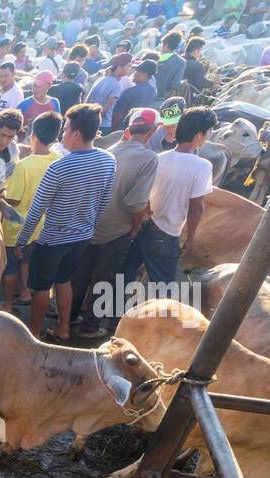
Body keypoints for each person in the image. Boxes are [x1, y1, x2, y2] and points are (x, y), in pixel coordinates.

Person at [15, 104, 116, 341]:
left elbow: (37, 210)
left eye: (66, 129)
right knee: (63, 280)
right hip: (81, 237)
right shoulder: (108, 160)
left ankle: (34, 333)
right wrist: (89, 226)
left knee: (41, 287)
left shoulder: (59, 167)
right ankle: (63, 330)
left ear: (77, 133)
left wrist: (22, 240)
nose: (63, 134)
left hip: (51, 239)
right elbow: (104, 200)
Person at [70, 107, 161, 338]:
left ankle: (69, 317)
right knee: (105, 279)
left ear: (128, 129)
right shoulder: (149, 158)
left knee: (80, 274)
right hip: (116, 230)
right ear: (151, 132)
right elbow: (136, 203)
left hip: (89, 225)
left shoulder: (108, 150)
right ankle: (90, 327)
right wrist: (136, 227)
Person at [124, 106, 217, 287]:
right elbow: (196, 207)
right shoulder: (202, 166)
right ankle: (155, 315)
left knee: (126, 275)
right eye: (208, 133)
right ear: (199, 134)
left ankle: (112, 314)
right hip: (167, 233)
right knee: (163, 286)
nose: (207, 137)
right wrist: (190, 238)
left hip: (143, 224)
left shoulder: (159, 157)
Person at [2, 111, 63, 309]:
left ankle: (8, 304)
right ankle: (26, 292)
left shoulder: (24, 166)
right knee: (26, 261)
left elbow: (13, 198)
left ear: (33, 136)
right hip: (42, 227)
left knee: (10, 266)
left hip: (17, 226)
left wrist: (0, 194)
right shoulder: (59, 160)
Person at [111, 60, 156, 131]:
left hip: (123, 127)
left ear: (144, 75)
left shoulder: (129, 92)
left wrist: (112, 128)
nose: (134, 74)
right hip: (140, 127)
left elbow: (117, 114)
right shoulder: (153, 90)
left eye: (137, 72)